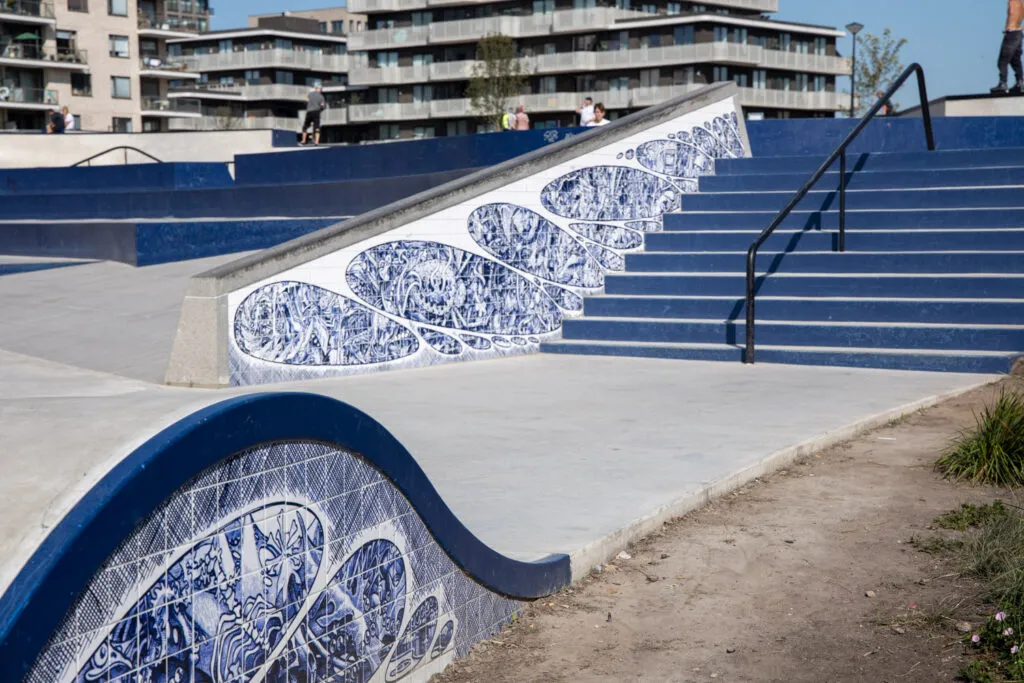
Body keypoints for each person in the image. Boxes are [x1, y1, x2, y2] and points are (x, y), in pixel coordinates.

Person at [993, 0, 1024, 94]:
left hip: (1012, 34)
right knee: (1015, 60)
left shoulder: (1013, 1)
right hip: (1018, 34)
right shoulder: (1021, 2)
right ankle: (1020, 83)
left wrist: (1010, 27)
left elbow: (1012, 12)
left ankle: (1003, 83)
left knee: (1002, 61)